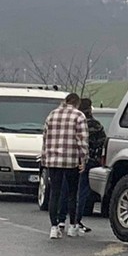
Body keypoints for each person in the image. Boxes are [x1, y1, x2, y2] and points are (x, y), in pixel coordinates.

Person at [41, 93, 88, 239]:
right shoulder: (79, 116)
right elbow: (82, 140)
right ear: (77, 103)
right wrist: (83, 159)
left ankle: (54, 227)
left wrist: (44, 158)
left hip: (53, 160)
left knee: (55, 193)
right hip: (71, 160)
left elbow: (45, 138)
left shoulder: (52, 115)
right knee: (72, 193)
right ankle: (72, 226)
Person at [74, 98, 107, 234]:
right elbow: (103, 142)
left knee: (68, 191)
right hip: (90, 161)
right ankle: (77, 220)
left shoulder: (74, 122)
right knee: (82, 191)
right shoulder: (95, 125)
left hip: (72, 160)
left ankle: (61, 220)